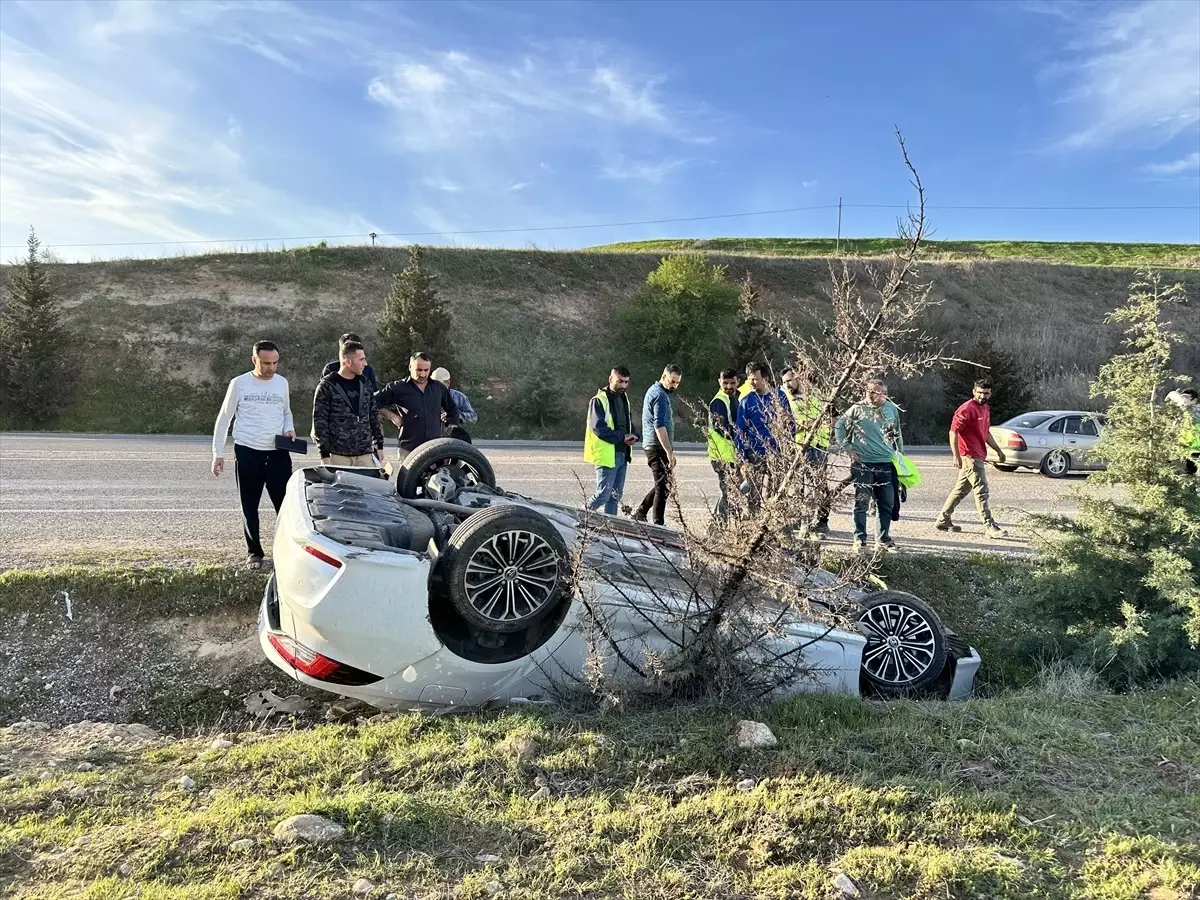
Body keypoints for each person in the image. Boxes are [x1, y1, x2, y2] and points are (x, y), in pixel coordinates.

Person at [211, 340, 296, 570]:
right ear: (254, 360)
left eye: (275, 363)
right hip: (248, 451)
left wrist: (289, 428)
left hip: (278, 453)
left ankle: (286, 551)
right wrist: (218, 453)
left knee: (285, 506)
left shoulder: (281, 383)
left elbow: (286, 412)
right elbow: (224, 419)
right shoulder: (239, 384)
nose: (271, 368)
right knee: (250, 505)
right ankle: (254, 553)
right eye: (266, 363)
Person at [834, 378, 904, 552]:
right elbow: (839, 426)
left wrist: (900, 457)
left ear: (884, 394)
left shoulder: (891, 409)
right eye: (869, 391)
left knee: (886, 503)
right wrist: (848, 448)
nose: (872, 396)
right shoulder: (857, 409)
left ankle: (883, 539)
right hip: (863, 464)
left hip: (886, 463)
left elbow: (897, 435)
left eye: (876, 392)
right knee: (862, 503)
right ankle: (860, 539)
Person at [936, 379, 1009, 537]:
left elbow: (986, 432)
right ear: (974, 392)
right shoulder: (966, 409)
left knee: (961, 490)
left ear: (990, 394)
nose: (983, 396)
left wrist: (998, 451)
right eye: (980, 393)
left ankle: (943, 519)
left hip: (979, 454)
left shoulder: (985, 409)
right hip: (970, 455)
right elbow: (953, 432)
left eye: (986, 393)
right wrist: (956, 455)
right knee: (981, 490)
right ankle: (989, 526)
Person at [373, 352, 460, 465]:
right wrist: (393, 416)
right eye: (419, 370)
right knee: (407, 483)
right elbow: (371, 401)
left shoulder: (439, 388)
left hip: (435, 450)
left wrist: (450, 428)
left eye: (426, 370)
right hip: (409, 450)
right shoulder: (398, 388)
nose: (423, 374)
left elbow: (453, 410)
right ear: (410, 367)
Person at [312, 340, 384, 468]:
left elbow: (373, 414)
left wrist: (379, 445)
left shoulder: (365, 384)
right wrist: (324, 455)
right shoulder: (327, 386)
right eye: (361, 359)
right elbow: (320, 422)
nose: (365, 364)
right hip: (338, 455)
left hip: (365, 454)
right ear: (348, 361)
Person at [737, 363, 794, 512]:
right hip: (755, 454)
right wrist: (743, 459)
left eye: (755, 379)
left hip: (777, 453)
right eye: (750, 379)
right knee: (754, 494)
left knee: (776, 492)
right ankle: (755, 526)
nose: (752, 383)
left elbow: (790, 423)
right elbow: (740, 431)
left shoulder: (779, 397)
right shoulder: (746, 401)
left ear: (766, 378)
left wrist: (788, 446)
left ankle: (773, 523)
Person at [584, 366, 640, 516]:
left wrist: (634, 434)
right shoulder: (598, 401)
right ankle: (580, 519)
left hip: (623, 454)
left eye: (626, 382)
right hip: (607, 455)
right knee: (603, 494)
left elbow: (627, 423)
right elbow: (598, 428)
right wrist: (622, 437)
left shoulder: (624, 399)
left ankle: (611, 530)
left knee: (615, 496)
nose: (623, 385)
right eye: (620, 381)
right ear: (610, 379)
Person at [783, 366, 831, 534]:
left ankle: (821, 520)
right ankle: (799, 520)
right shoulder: (786, 399)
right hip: (798, 445)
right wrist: (804, 424)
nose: (787, 384)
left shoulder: (817, 394)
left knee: (818, 485)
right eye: (784, 382)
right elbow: (787, 422)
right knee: (797, 486)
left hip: (819, 445)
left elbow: (829, 416)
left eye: (789, 380)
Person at [633, 364, 683, 525]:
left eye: (677, 383)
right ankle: (657, 522)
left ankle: (641, 512)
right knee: (663, 485)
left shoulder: (656, 391)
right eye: (672, 381)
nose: (674, 386)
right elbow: (659, 425)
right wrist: (669, 451)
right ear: (664, 376)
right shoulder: (659, 395)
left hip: (655, 445)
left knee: (664, 482)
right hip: (656, 446)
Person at [707, 369, 740, 520]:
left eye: (732, 383)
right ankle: (719, 527)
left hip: (731, 456)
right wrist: (744, 436)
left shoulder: (732, 399)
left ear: (737, 382)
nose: (728, 386)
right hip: (722, 457)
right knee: (729, 494)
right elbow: (723, 428)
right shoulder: (719, 401)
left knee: (730, 493)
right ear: (719, 382)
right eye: (725, 383)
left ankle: (719, 523)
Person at [430, 367, 479, 441]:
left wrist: (456, 416)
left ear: (448, 383)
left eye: (439, 385)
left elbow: (473, 417)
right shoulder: (426, 397)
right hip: (431, 442)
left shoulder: (459, 397)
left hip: (455, 441)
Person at [1167, 387, 1200, 475]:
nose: (1184, 400)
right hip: (1184, 448)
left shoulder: (1196, 409)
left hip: (1195, 448)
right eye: (1183, 397)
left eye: (1187, 398)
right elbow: (1172, 394)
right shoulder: (1182, 410)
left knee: (1192, 470)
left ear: (1194, 400)